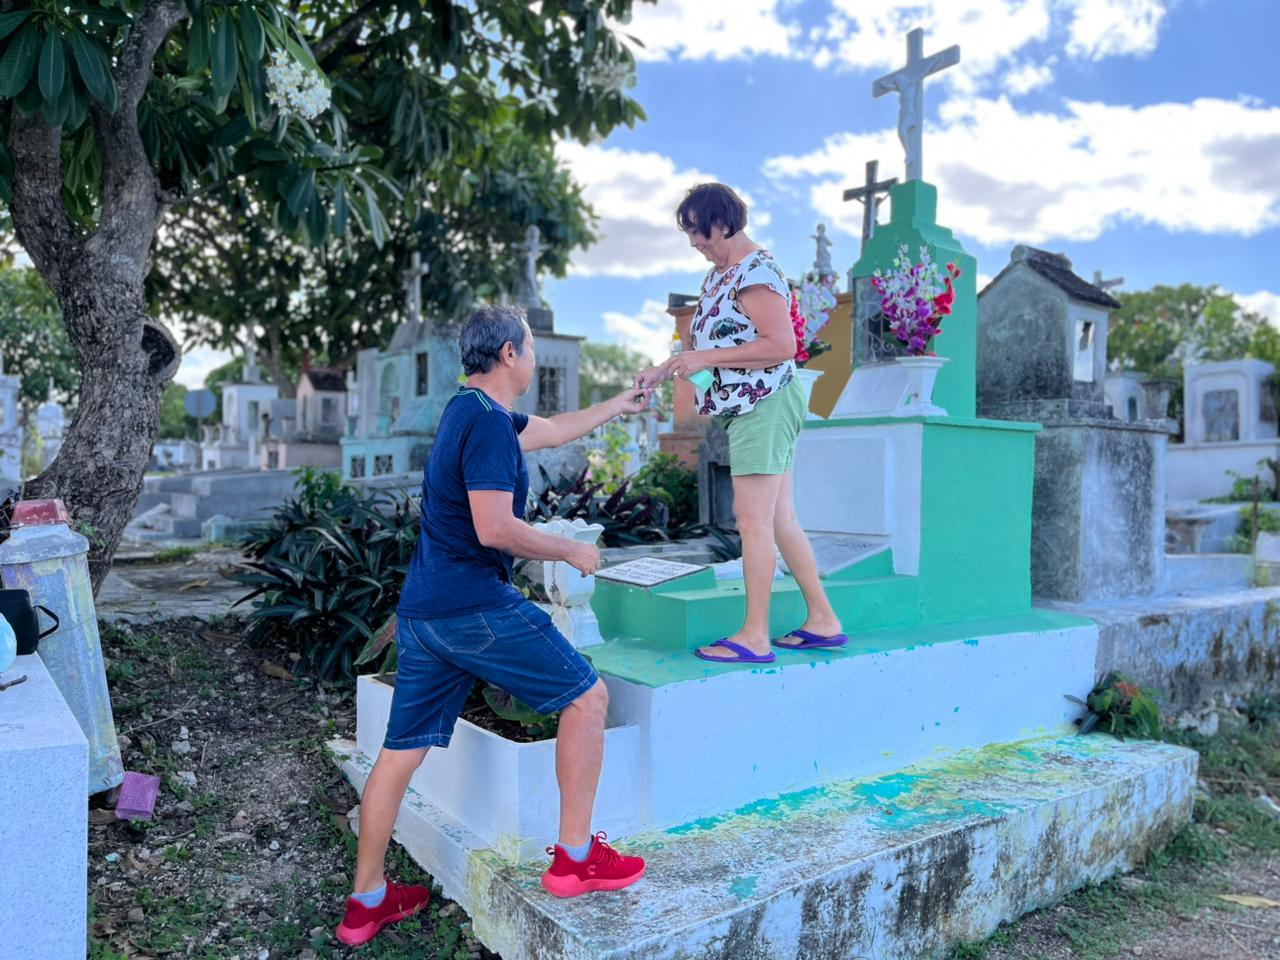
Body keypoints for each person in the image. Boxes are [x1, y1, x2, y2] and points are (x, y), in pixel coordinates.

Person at [336, 305, 648, 947]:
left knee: (399, 754)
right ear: (509, 354)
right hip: (470, 606)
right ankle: (575, 858)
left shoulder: (473, 413)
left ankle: (365, 903)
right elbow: (494, 529)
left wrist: (622, 402)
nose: (534, 360)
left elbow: (558, 429)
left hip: (423, 614)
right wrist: (571, 549)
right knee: (587, 698)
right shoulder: (485, 426)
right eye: (530, 348)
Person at [636, 183, 846, 665]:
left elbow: (782, 346)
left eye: (698, 229)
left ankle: (754, 636)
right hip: (750, 405)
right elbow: (707, 352)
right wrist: (664, 370)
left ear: (724, 222)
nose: (694, 241)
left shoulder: (756, 272)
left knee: (752, 521)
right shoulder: (718, 277)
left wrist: (702, 356)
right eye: (687, 231)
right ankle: (823, 620)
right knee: (778, 519)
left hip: (765, 402)